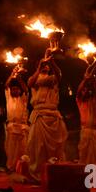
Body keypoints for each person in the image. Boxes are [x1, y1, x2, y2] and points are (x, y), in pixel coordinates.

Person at [27, 49, 67, 182]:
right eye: (43, 66)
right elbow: (30, 83)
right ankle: (38, 174)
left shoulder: (53, 79)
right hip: (39, 116)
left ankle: (55, 172)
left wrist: (52, 61)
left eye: (46, 66)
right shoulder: (34, 80)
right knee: (38, 147)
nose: (45, 67)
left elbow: (59, 74)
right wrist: (39, 66)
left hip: (53, 116)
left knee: (56, 147)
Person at [76, 58, 96, 164]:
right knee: (85, 156)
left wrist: (93, 71)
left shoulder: (95, 99)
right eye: (83, 90)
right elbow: (79, 90)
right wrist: (86, 78)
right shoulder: (80, 100)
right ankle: (86, 177)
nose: (85, 91)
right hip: (86, 131)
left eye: (87, 89)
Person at [4, 66, 29, 171]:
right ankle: (11, 167)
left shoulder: (23, 99)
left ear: (19, 91)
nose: (14, 90)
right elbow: (6, 85)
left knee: (23, 149)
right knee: (11, 150)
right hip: (12, 126)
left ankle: (22, 167)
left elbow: (26, 90)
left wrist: (19, 78)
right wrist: (12, 74)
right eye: (13, 89)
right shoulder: (9, 98)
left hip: (22, 127)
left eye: (16, 89)